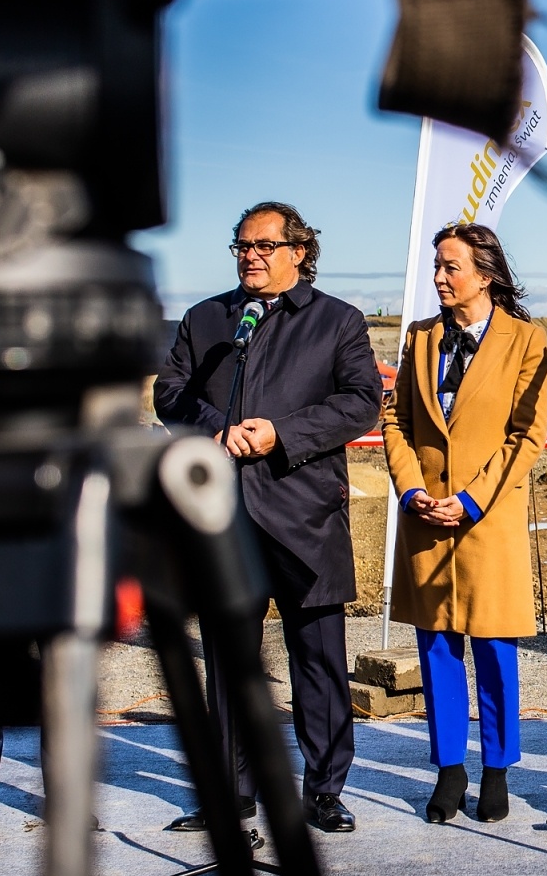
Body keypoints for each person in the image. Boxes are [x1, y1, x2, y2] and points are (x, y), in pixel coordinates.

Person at [155, 201, 381, 833]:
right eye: (242, 245)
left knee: (319, 659)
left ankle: (324, 789)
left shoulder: (338, 321)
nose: (250, 255)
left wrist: (279, 434)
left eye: (263, 245)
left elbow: (362, 403)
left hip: (304, 515)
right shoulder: (208, 319)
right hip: (224, 515)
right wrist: (217, 430)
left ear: (299, 251)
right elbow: (169, 393)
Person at [382, 223, 547, 824]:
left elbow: (527, 435)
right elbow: (396, 421)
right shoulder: (420, 339)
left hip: (488, 518)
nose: (438, 278)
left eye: (450, 267)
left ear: (486, 274)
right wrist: (412, 488)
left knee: (494, 649)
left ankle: (497, 770)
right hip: (426, 516)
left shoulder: (527, 341)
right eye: (436, 266)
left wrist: (472, 500)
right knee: (437, 650)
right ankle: (449, 769)